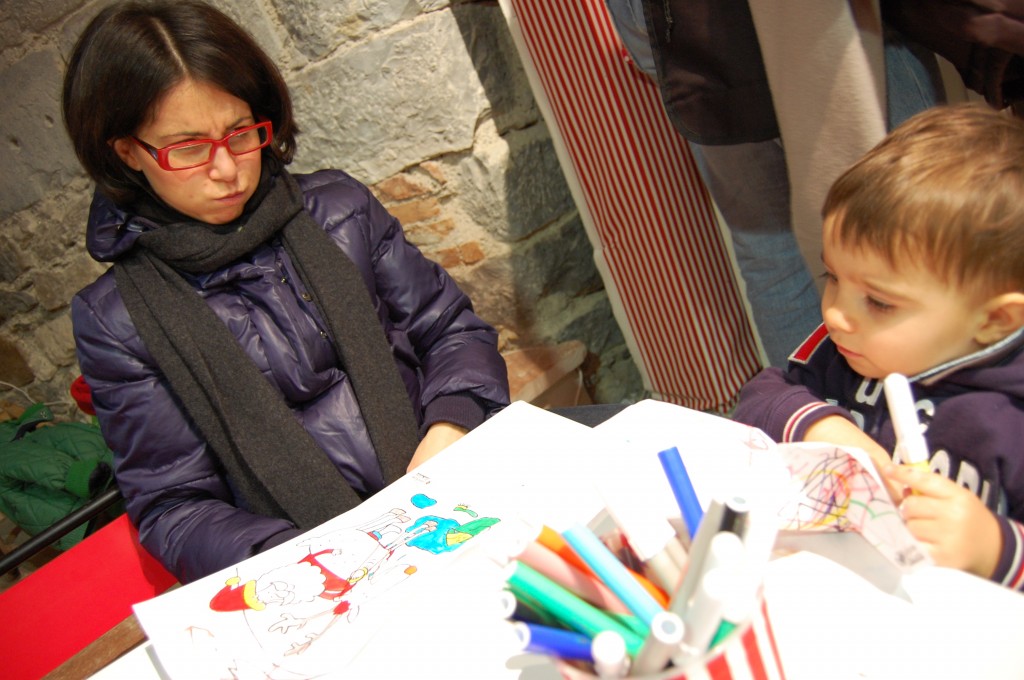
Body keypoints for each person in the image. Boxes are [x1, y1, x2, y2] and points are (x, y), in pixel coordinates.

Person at [63, 0, 509, 583]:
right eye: (189, 147)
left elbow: (451, 331)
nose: (227, 169)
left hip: (452, 500)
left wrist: (450, 426)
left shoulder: (337, 212)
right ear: (127, 151)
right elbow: (172, 505)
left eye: (240, 133)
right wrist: (303, 558)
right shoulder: (118, 319)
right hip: (325, 579)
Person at [733, 104, 1024, 591]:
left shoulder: (1009, 421)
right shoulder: (847, 348)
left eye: (880, 302)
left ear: (994, 321)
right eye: (832, 278)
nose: (835, 315)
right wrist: (823, 426)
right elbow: (762, 397)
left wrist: (995, 547)